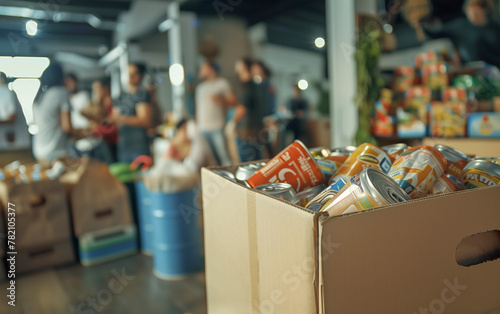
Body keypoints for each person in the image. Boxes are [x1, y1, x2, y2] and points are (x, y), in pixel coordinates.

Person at [109, 63, 153, 163]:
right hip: (123, 146)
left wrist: (120, 119)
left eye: (133, 74)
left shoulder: (142, 95)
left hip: (138, 147)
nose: (130, 77)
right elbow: (114, 120)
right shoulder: (120, 98)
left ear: (139, 76)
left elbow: (145, 120)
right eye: (128, 74)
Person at [195, 61, 233, 165]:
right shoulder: (200, 87)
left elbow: (233, 101)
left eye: (203, 68)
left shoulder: (222, 83)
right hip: (203, 128)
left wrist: (219, 100)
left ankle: (229, 179)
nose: (201, 71)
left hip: (217, 126)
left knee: (224, 156)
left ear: (211, 69)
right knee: (213, 158)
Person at [32, 62, 73, 161]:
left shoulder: (39, 96)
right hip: (55, 151)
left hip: (38, 150)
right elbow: (66, 127)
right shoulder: (61, 92)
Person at [230, 57, 264, 162]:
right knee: (257, 159)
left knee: (246, 161)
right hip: (254, 128)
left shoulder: (248, 86)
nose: (236, 67)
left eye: (239, 64)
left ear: (244, 67)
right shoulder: (252, 85)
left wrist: (232, 122)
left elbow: (243, 107)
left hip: (246, 129)